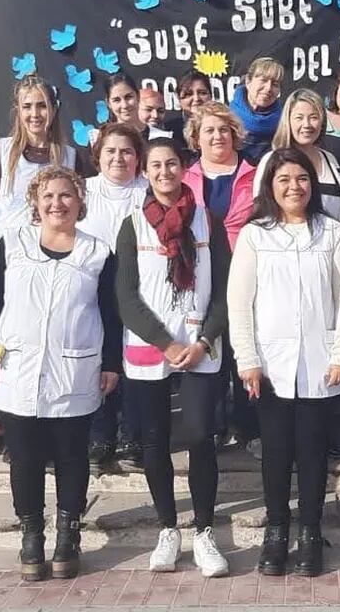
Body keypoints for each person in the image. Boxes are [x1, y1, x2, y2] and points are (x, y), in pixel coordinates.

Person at [0, 165, 121, 581]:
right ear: (36, 204)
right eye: (49, 196)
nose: (58, 203)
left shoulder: (97, 253)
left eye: (66, 196)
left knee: (72, 455)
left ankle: (68, 536)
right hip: (17, 370)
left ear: (80, 202)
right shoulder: (13, 244)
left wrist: (111, 363)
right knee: (24, 457)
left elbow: (110, 315)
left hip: (75, 370)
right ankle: (31, 536)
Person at [229, 147, 340, 577]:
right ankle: (276, 532)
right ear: (270, 185)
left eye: (301, 179)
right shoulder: (255, 235)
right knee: (276, 454)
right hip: (270, 365)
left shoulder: (333, 233)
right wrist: (246, 359)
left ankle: (309, 532)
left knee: (312, 453)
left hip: (321, 362)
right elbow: (239, 302)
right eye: (284, 179)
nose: (294, 187)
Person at [115, 137, 231, 577]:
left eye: (171, 164)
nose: (164, 172)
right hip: (152, 344)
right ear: (145, 172)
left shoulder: (207, 221)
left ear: (184, 168)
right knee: (154, 439)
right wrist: (166, 343)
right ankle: (168, 528)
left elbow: (224, 290)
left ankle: (203, 530)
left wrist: (202, 341)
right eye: (155, 166)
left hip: (201, 342)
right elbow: (126, 297)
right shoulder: (132, 225)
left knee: (201, 435)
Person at [181, 102, 260, 455]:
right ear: (196, 138)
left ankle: (249, 426)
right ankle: (213, 425)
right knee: (208, 344)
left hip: (248, 270)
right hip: (202, 275)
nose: (217, 136)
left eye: (223, 129)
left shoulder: (256, 174)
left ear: (234, 134)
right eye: (209, 130)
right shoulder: (185, 178)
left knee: (244, 346)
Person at [77, 123, 149, 469]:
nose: (118, 158)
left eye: (127, 151)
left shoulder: (149, 191)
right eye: (111, 151)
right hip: (93, 286)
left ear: (138, 157)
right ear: (98, 155)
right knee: (100, 357)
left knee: (136, 361)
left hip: (140, 288)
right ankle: (99, 434)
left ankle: (132, 436)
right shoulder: (83, 191)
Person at [0, 75, 79, 284]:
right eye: (27, 106)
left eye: (41, 106)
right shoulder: (0, 151)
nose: (34, 114)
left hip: (55, 260)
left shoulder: (70, 157)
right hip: (7, 259)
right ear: (18, 111)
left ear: (53, 109)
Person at [254, 89, 340, 221]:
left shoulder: (330, 161)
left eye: (314, 117)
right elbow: (262, 210)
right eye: (299, 118)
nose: (307, 125)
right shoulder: (271, 160)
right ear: (288, 121)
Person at [230, 57, 285, 165]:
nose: (268, 88)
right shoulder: (227, 118)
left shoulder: (284, 123)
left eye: (275, 84)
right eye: (263, 80)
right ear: (248, 82)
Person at [87, 73, 145, 147]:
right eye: (116, 100)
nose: (125, 105)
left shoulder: (157, 135)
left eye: (128, 97)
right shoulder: (99, 139)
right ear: (108, 103)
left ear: (138, 96)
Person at [163, 69, 212, 140]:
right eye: (188, 94)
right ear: (178, 98)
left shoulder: (223, 125)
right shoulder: (168, 130)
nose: (196, 99)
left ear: (211, 96)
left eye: (202, 93)